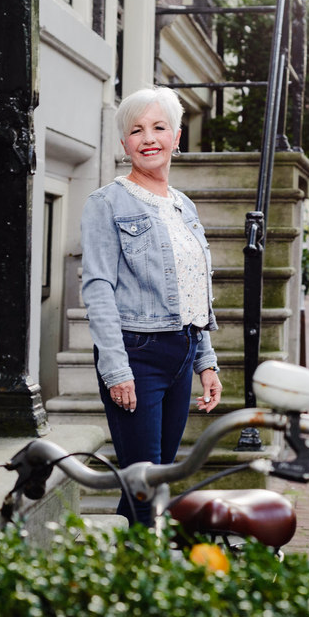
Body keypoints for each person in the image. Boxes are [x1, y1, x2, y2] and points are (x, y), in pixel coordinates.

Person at [80, 86, 223, 526]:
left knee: (152, 481)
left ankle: (120, 577)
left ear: (176, 137)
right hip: (137, 354)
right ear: (124, 144)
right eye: (136, 130)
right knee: (145, 486)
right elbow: (98, 287)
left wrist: (206, 361)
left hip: (182, 353)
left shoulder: (184, 207)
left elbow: (194, 287)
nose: (149, 138)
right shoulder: (107, 203)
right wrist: (117, 369)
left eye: (159, 127)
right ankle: (144, 582)